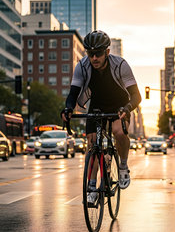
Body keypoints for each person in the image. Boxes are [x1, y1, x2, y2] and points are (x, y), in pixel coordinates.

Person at [61, 30, 142, 202]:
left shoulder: (120, 65)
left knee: (118, 132)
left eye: (98, 54)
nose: (94, 58)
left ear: (107, 52)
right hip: (96, 104)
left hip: (119, 103)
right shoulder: (82, 66)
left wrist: (127, 108)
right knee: (92, 144)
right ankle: (91, 186)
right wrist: (68, 109)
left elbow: (136, 96)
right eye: (90, 54)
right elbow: (73, 94)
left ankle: (122, 166)